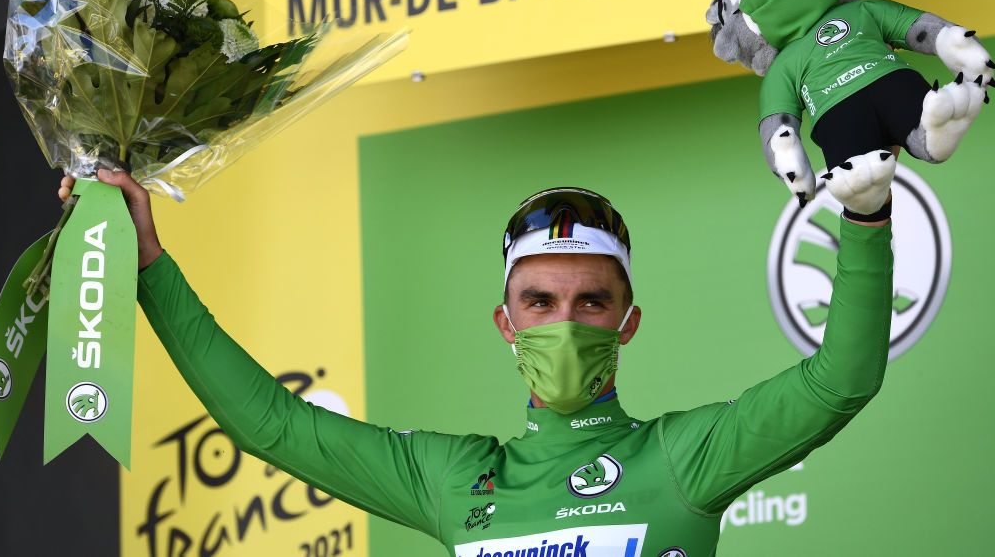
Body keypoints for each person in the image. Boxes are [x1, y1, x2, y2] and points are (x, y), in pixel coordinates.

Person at [58, 174, 893, 557]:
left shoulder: (683, 456)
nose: (564, 322)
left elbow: (840, 379)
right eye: (540, 301)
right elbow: (271, 424)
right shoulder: (454, 476)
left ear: (628, 321)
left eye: (590, 302)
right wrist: (148, 270)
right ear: (505, 321)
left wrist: (866, 216)